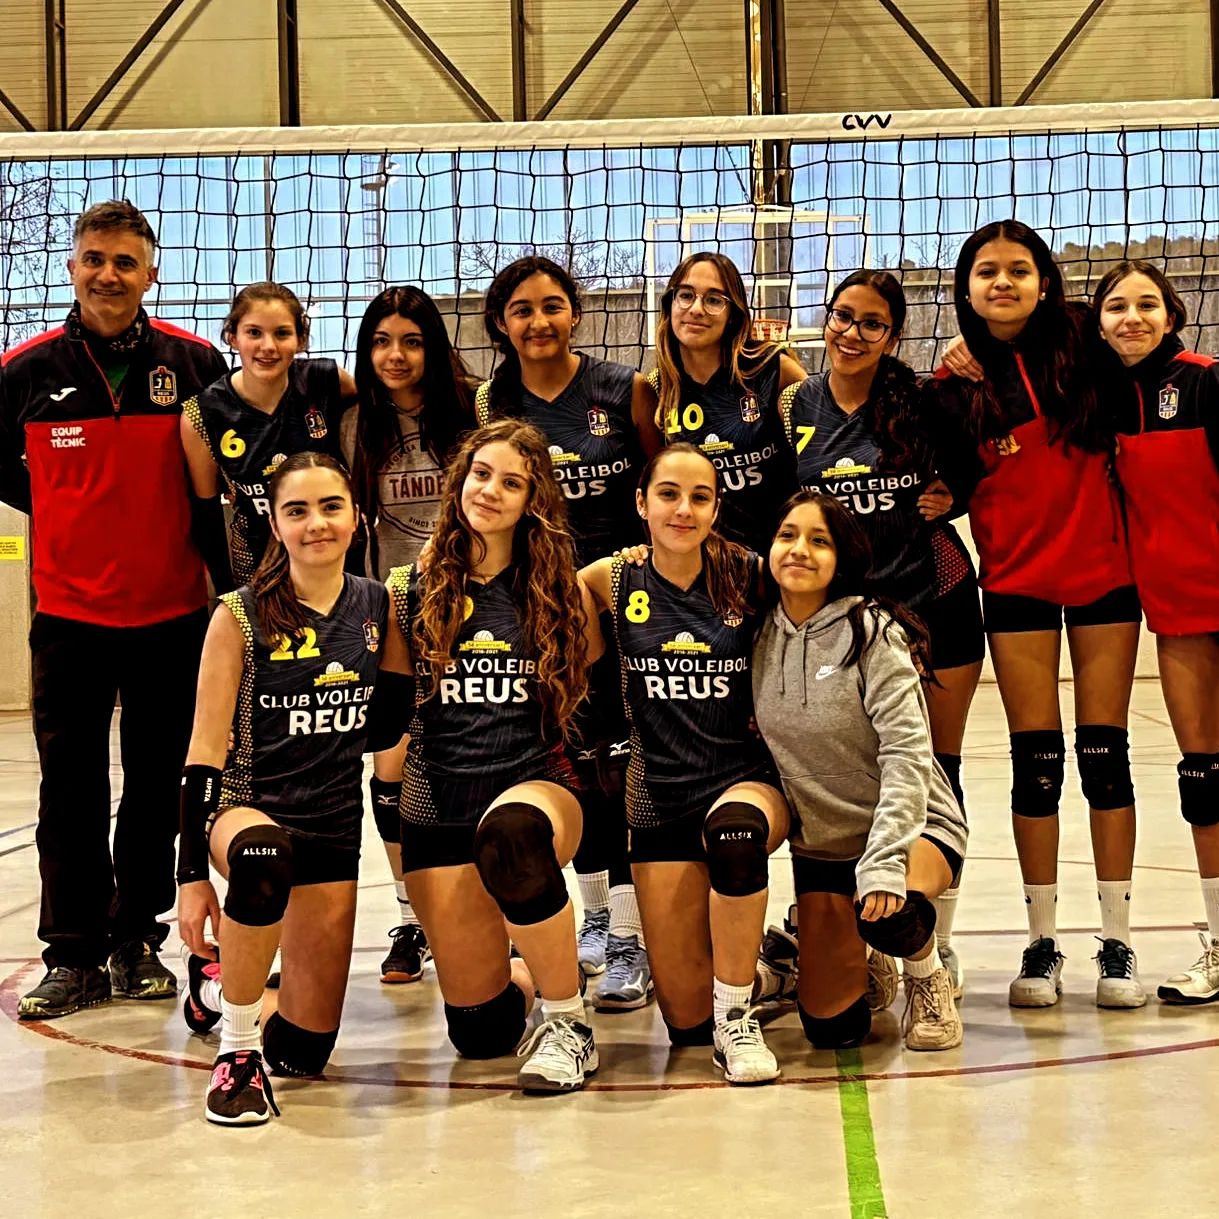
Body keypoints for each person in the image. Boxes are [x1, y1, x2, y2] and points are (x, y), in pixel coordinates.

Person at [0, 199, 228, 1020]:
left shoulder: (195, 364)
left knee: (155, 787)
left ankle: (136, 939)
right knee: (70, 791)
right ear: (72, 266)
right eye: (94, 258)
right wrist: (73, 513)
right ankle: (71, 954)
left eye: (125, 261)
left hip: (173, 615)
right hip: (69, 620)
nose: (108, 274)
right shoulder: (23, 372)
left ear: (150, 272)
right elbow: (10, 474)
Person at [928, 220, 1142, 1009]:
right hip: (1014, 585)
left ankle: (1116, 941)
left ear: (1046, 282)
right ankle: (1040, 941)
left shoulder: (1086, 347)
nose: (1003, 282)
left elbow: (1150, 349)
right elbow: (937, 482)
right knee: (1037, 764)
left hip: (1104, 581)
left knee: (1105, 756)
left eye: (1019, 270)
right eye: (986, 271)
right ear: (966, 287)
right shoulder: (951, 387)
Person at [764, 270, 984, 1004]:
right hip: (841, 624)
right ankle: (850, 929)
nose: (849, 333)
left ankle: (932, 936)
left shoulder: (919, 401)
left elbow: (978, 463)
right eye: (840, 317)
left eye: (869, 323)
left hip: (933, 606)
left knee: (931, 773)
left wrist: (953, 490)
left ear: (892, 336)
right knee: (849, 773)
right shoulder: (795, 402)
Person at [381, 419, 603, 1093]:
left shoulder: (562, 593)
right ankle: (537, 971)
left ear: (533, 499)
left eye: (512, 481)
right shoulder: (406, 591)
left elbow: (592, 701)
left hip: (533, 784)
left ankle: (569, 1022)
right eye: (482, 474)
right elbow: (388, 724)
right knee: (479, 1034)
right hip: (440, 803)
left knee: (512, 838)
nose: (492, 491)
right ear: (458, 482)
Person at [177, 452, 387, 1125]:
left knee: (302, 1050)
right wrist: (189, 877)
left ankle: (219, 990)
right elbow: (204, 753)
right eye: (296, 510)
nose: (315, 523)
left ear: (357, 517)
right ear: (273, 521)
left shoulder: (379, 608)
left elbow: (394, 736)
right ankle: (236, 1058)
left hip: (332, 827)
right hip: (246, 809)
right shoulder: (238, 615)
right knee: (264, 858)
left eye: (330, 506)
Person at [478, 256, 662, 1008]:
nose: (539, 321)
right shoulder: (495, 397)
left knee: (621, 765)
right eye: (522, 310)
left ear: (575, 313)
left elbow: (661, 483)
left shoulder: (624, 390)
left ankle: (627, 935)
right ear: (501, 323)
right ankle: (592, 917)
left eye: (552, 306)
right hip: (540, 608)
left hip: (623, 607)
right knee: (569, 762)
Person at [582, 444, 790, 1084]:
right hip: (658, 795)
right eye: (668, 494)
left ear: (716, 507)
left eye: (700, 497)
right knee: (684, 1023)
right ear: (640, 503)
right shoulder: (608, 581)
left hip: (743, 783)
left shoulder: (751, 574)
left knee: (734, 840)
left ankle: (739, 1017)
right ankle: (766, 972)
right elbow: (530, 586)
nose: (684, 508)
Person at [752, 491, 967, 1052]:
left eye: (818, 540)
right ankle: (848, 961)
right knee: (833, 1031)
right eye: (787, 536)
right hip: (823, 845)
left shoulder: (872, 631)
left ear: (841, 559)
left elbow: (907, 754)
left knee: (888, 913)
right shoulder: (754, 634)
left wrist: (884, 861)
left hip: (912, 828)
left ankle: (926, 975)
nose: (799, 550)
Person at [1091, 261, 1219, 1003]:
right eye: (1115, 306)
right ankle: (1215, 943)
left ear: (1169, 315)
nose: (1130, 317)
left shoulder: (1205, 381)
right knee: (1203, 779)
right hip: (1176, 618)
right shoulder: (1101, 400)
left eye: (1145, 304)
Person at [342, 285, 476, 986]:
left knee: (482, 766)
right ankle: (408, 918)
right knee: (390, 770)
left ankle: (496, 909)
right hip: (390, 621)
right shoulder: (353, 423)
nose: (395, 355)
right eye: (381, 341)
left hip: (477, 615)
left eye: (412, 340)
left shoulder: (474, 411)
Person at [181, 281, 355, 586]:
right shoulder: (203, 413)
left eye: (282, 333)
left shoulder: (326, 381)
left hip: (337, 563)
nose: (268, 346)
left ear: (300, 340)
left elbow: (383, 407)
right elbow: (206, 514)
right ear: (231, 336)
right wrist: (228, 592)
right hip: (259, 572)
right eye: (254, 333)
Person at [649, 251, 805, 552]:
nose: (696, 309)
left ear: (733, 313)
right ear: (670, 306)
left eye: (714, 299)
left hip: (775, 560)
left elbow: (827, 440)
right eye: (685, 296)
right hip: (699, 564)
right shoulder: (658, 389)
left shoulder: (772, 369)